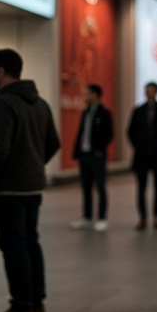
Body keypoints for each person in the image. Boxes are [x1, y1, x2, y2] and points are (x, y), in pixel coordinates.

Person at [0, 48, 60, 312]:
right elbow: (53, 143)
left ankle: (21, 306)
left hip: (9, 188)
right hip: (32, 187)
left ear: (2, 72)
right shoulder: (41, 103)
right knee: (30, 243)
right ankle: (36, 302)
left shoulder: (3, 103)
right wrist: (35, 164)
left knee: (14, 247)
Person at [127, 81, 157, 230]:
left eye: (152, 90)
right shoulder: (138, 110)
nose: (150, 93)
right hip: (142, 155)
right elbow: (130, 131)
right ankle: (142, 217)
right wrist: (138, 145)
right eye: (148, 90)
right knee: (141, 187)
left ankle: (156, 215)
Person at [70, 83, 113, 231]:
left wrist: (100, 149)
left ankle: (102, 218)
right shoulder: (85, 112)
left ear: (95, 94)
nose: (85, 96)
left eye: (88, 93)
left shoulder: (104, 113)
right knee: (86, 187)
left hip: (97, 156)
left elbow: (109, 134)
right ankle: (87, 217)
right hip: (84, 155)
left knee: (100, 187)